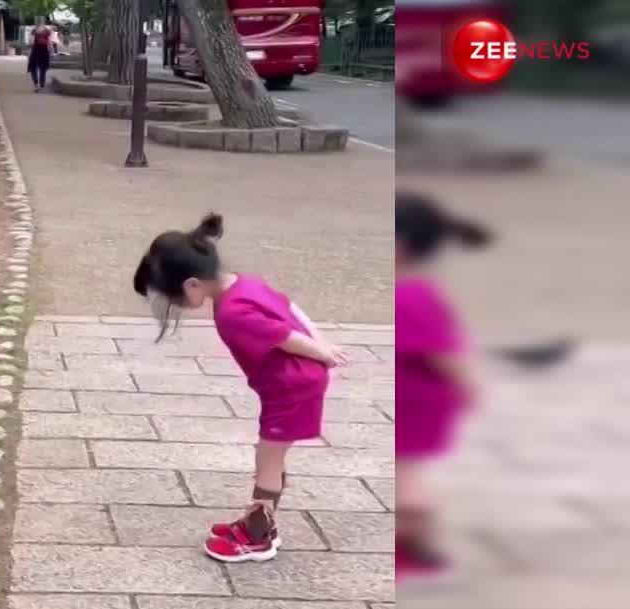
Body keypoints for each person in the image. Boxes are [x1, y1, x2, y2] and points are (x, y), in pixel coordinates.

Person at [133, 213, 345, 563]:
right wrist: (320, 341)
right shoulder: (245, 284)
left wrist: (321, 351)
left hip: (291, 387)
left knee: (269, 458)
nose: (176, 307)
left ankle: (256, 537)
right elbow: (289, 308)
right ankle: (259, 522)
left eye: (174, 299)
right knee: (271, 455)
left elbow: (285, 336)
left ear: (192, 286)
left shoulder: (233, 311)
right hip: (294, 380)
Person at [394, 193, 489, 582]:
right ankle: (417, 546)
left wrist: (470, 387)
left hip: (417, 401)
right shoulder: (415, 290)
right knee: (408, 475)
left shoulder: (409, 295)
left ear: (400, 244)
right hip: (419, 397)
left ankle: (421, 549)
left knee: (409, 479)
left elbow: (443, 354)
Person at [27, 19, 56, 91]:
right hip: (44, 50)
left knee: (33, 68)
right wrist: (52, 52)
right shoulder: (47, 31)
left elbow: (30, 42)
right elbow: (49, 42)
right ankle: (41, 84)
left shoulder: (34, 31)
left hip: (36, 50)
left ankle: (36, 85)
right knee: (43, 69)